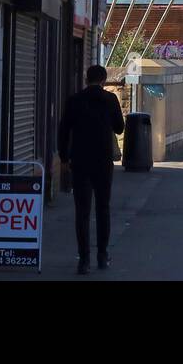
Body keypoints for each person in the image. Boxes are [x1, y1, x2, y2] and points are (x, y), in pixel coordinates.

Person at [58, 64, 125, 275]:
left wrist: (63, 158)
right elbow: (119, 128)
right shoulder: (110, 100)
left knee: (82, 212)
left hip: (80, 160)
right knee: (103, 208)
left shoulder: (74, 100)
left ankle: (84, 260)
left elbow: (63, 130)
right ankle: (102, 255)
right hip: (103, 160)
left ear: (86, 79)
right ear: (104, 80)